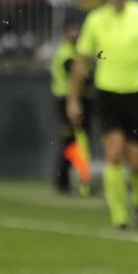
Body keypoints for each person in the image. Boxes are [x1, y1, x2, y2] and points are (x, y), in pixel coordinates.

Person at [67, 0, 138, 230]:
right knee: (113, 154)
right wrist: (73, 98)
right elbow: (82, 60)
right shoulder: (95, 19)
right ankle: (119, 216)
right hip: (108, 92)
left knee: (136, 162)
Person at [51, 17, 93, 195]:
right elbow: (75, 71)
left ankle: (74, 181)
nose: (76, 34)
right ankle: (63, 181)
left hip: (77, 99)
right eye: (72, 30)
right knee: (71, 142)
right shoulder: (66, 52)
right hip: (66, 100)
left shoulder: (76, 51)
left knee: (76, 142)